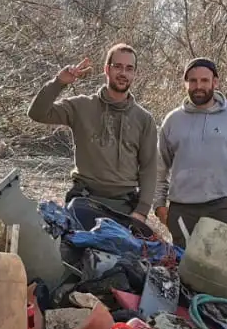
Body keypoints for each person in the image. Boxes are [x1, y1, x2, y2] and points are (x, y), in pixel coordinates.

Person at [28, 44, 159, 233]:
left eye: (129, 68)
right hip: (84, 201)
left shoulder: (144, 119)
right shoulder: (81, 106)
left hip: (123, 207)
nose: (123, 73)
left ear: (134, 74)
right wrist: (59, 82)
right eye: (117, 66)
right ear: (107, 69)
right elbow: (37, 113)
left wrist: (141, 212)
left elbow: (149, 168)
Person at [154, 57, 227, 245]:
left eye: (204, 80)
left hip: (222, 206)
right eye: (193, 81)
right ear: (186, 83)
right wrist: (159, 205)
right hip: (183, 210)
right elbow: (159, 169)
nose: (198, 86)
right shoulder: (173, 120)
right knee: (185, 263)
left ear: (215, 82)